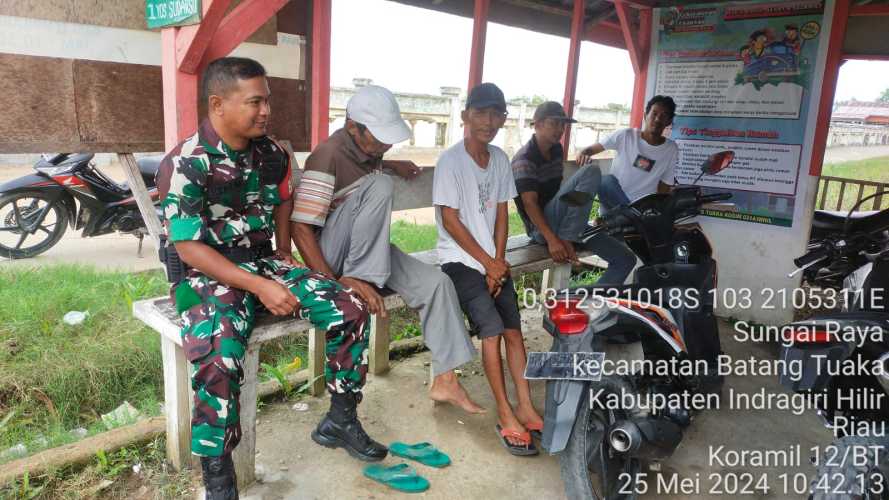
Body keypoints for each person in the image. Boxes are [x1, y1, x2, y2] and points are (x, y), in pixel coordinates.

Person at [156, 57, 381, 500]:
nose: (265, 111)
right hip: (209, 272)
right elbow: (188, 248)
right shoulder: (186, 162)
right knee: (221, 354)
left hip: (264, 261)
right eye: (255, 102)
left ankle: (339, 418)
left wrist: (282, 252)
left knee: (350, 309)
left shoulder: (271, 152)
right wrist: (259, 287)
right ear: (218, 104)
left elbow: (283, 199)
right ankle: (219, 478)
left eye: (267, 101)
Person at [290, 85, 484, 415]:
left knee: (437, 284)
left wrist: (392, 164)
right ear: (353, 127)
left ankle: (446, 381)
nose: (385, 144)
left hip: (366, 252)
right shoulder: (328, 155)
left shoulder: (369, 151)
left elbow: (364, 172)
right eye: (379, 137)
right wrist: (335, 283)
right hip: (334, 258)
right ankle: (360, 276)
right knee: (380, 185)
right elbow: (300, 228)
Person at [433, 83, 543, 456]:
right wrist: (486, 263)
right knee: (492, 332)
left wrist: (498, 262)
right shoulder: (451, 162)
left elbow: (501, 213)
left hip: (492, 262)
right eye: (480, 113)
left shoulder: (498, 157)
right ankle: (505, 410)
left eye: (496, 114)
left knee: (515, 331)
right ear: (465, 117)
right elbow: (450, 221)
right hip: (460, 261)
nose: (489, 121)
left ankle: (525, 404)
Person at [511, 101, 637, 285]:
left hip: (564, 224)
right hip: (542, 230)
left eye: (563, 124)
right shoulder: (524, 158)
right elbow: (530, 204)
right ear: (537, 125)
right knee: (592, 172)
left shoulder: (556, 150)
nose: (560, 129)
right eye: (554, 123)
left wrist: (571, 222)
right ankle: (569, 235)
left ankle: (587, 304)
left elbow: (562, 193)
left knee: (625, 259)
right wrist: (554, 240)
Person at [576, 95, 679, 213]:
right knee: (606, 181)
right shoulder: (625, 136)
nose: (657, 119)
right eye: (654, 113)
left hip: (642, 207)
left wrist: (658, 212)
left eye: (663, 115)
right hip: (614, 203)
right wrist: (583, 153)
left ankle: (630, 217)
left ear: (669, 121)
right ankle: (631, 217)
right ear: (645, 115)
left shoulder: (671, 149)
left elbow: (664, 187)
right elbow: (591, 150)